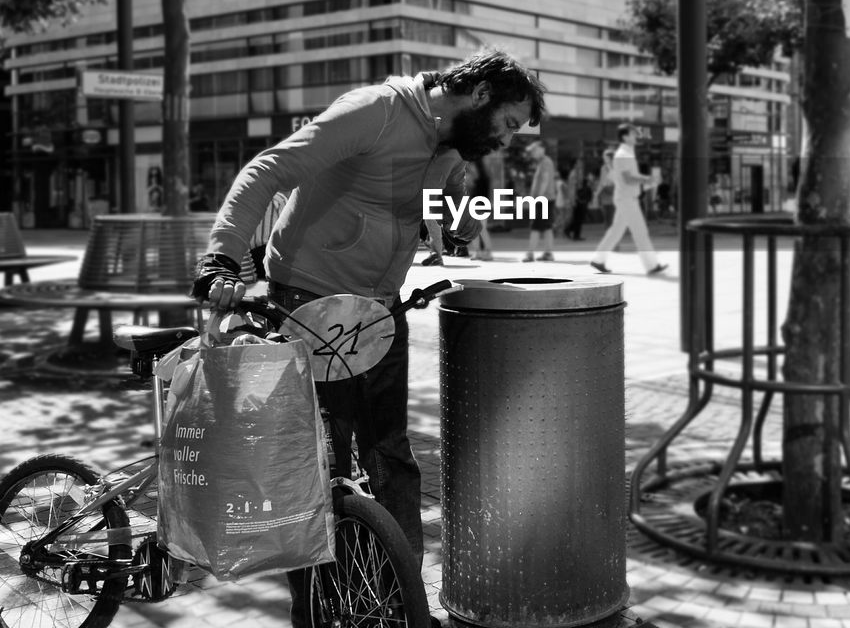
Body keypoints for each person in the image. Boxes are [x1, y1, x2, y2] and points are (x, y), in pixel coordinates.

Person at [188, 48, 546, 628]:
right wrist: (221, 260)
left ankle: (399, 606)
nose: (505, 138)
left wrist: (457, 221)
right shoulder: (375, 111)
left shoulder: (452, 144)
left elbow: (436, 204)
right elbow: (269, 169)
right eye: (507, 123)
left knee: (391, 459)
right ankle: (318, 608)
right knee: (315, 469)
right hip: (307, 301)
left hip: (377, 311)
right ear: (480, 95)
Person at [590, 124, 668, 276]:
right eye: (633, 134)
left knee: (615, 232)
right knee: (640, 232)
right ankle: (652, 265)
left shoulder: (627, 153)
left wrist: (646, 182)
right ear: (625, 136)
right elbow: (628, 178)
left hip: (626, 198)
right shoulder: (623, 154)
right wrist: (649, 179)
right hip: (627, 199)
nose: (636, 136)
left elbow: (629, 179)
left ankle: (598, 259)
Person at [523, 139, 557, 261]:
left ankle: (530, 253)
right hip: (547, 199)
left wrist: (538, 198)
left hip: (543, 200)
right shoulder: (544, 162)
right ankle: (548, 253)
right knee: (547, 227)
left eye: (534, 151)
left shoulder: (545, 162)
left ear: (541, 149)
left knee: (536, 226)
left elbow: (545, 180)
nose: (532, 154)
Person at [565, 159, 590, 240]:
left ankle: (571, 231)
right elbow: (572, 188)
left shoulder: (579, 173)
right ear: (575, 164)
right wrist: (573, 199)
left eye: (581, 163)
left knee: (579, 217)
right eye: (579, 163)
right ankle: (573, 233)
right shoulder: (573, 174)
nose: (581, 165)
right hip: (576, 198)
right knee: (578, 217)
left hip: (580, 197)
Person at [592, 149, 615, 225]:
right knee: (606, 215)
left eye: (605, 157)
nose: (604, 159)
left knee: (612, 214)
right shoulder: (603, 168)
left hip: (614, 192)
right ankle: (609, 231)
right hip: (605, 192)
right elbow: (602, 182)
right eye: (604, 157)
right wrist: (597, 194)